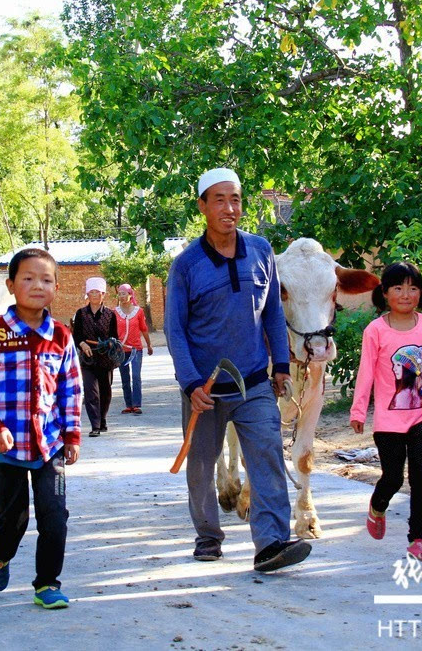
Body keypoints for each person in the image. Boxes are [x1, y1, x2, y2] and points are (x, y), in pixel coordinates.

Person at [165, 167, 311, 572]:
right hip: (205, 389)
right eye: (220, 200)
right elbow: (174, 330)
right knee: (200, 465)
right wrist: (191, 382)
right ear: (202, 206)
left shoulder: (261, 249)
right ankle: (209, 535)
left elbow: (272, 314)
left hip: (253, 383)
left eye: (237, 200)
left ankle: (271, 544)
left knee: (265, 455)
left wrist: (280, 365)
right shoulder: (187, 265)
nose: (230, 209)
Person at [0, 247, 82, 609]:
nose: (37, 285)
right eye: (28, 278)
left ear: (56, 287)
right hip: (7, 447)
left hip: (50, 446)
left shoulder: (61, 336)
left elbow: (71, 388)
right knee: (12, 519)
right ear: (10, 285)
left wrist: (73, 434)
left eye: (46, 279)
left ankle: (47, 584)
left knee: (55, 517)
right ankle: (0, 554)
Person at [350, 262, 422, 561]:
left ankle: (417, 539)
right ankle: (377, 506)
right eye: (398, 287)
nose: (406, 294)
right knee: (393, 478)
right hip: (388, 421)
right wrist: (358, 411)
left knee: (421, 480)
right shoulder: (375, 331)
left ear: (420, 292)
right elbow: (366, 373)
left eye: (412, 287)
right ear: (385, 293)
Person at [73, 277, 118, 437]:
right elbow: (76, 335)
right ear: (87, 294)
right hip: (87, 359)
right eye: (91, 292)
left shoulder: (110, 314)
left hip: (105, 359)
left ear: (103, 295)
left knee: (105, 391)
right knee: (91, 392)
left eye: (97, 292)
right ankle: (95, 425)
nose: (94, 295)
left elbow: (115, 336)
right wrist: (82, 344)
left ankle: (102, 418)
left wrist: (111, 343)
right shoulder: (81, 314)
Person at [114, 283, 153, 415]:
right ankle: (128, 405)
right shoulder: (115, 312)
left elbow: (144, 329)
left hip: (136, 349)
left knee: (136, 376)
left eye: (124, 293)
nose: (121, 296)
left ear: (130, 294)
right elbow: (111, 331)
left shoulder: (138, 311)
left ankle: (137, 404)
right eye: (119, 294)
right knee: (125, 377)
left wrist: (149, 345)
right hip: (121, 350)